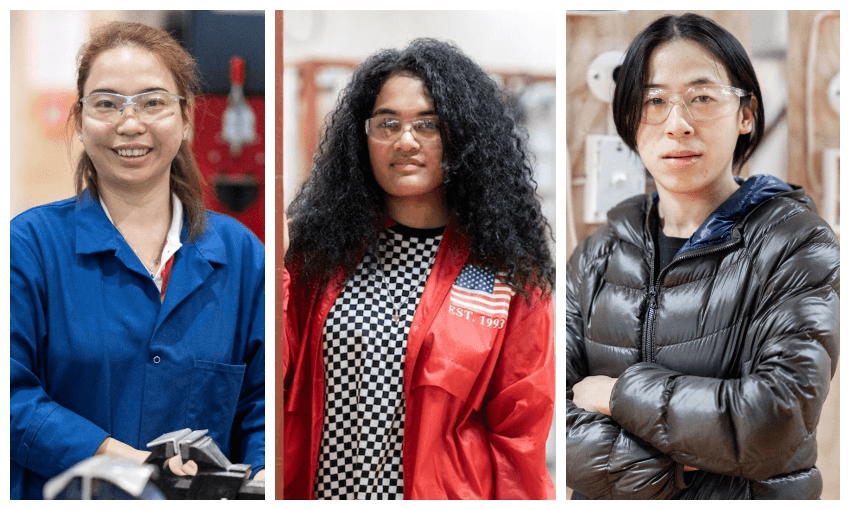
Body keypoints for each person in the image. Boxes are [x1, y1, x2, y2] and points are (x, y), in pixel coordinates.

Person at [565, 13, 839, 499]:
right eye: (654, 101)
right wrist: (679, 461)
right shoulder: (594, 257)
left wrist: (617, 395)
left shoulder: (797, 242)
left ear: (746, 114)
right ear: (629, 119)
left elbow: (775, 419)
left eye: (702, 98)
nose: (678, 124)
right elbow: (548, 418)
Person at [283, 38, 555, 499]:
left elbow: (519, 439)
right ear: (363, 137)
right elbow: (272, 378)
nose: (405, 140)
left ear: (461, 136)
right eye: (387, 123)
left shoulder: (508, 272)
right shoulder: (315, 256)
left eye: (428, 124)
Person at [10, 21, 265, 499]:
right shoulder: (29, 246)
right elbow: (11, 397)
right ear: (80, 120)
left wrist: (261, 477)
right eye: (107, 104)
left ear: (186, 118)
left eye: (152, 103)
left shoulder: (242, 255)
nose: (130, 124)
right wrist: (133, 464)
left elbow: (262, 402)